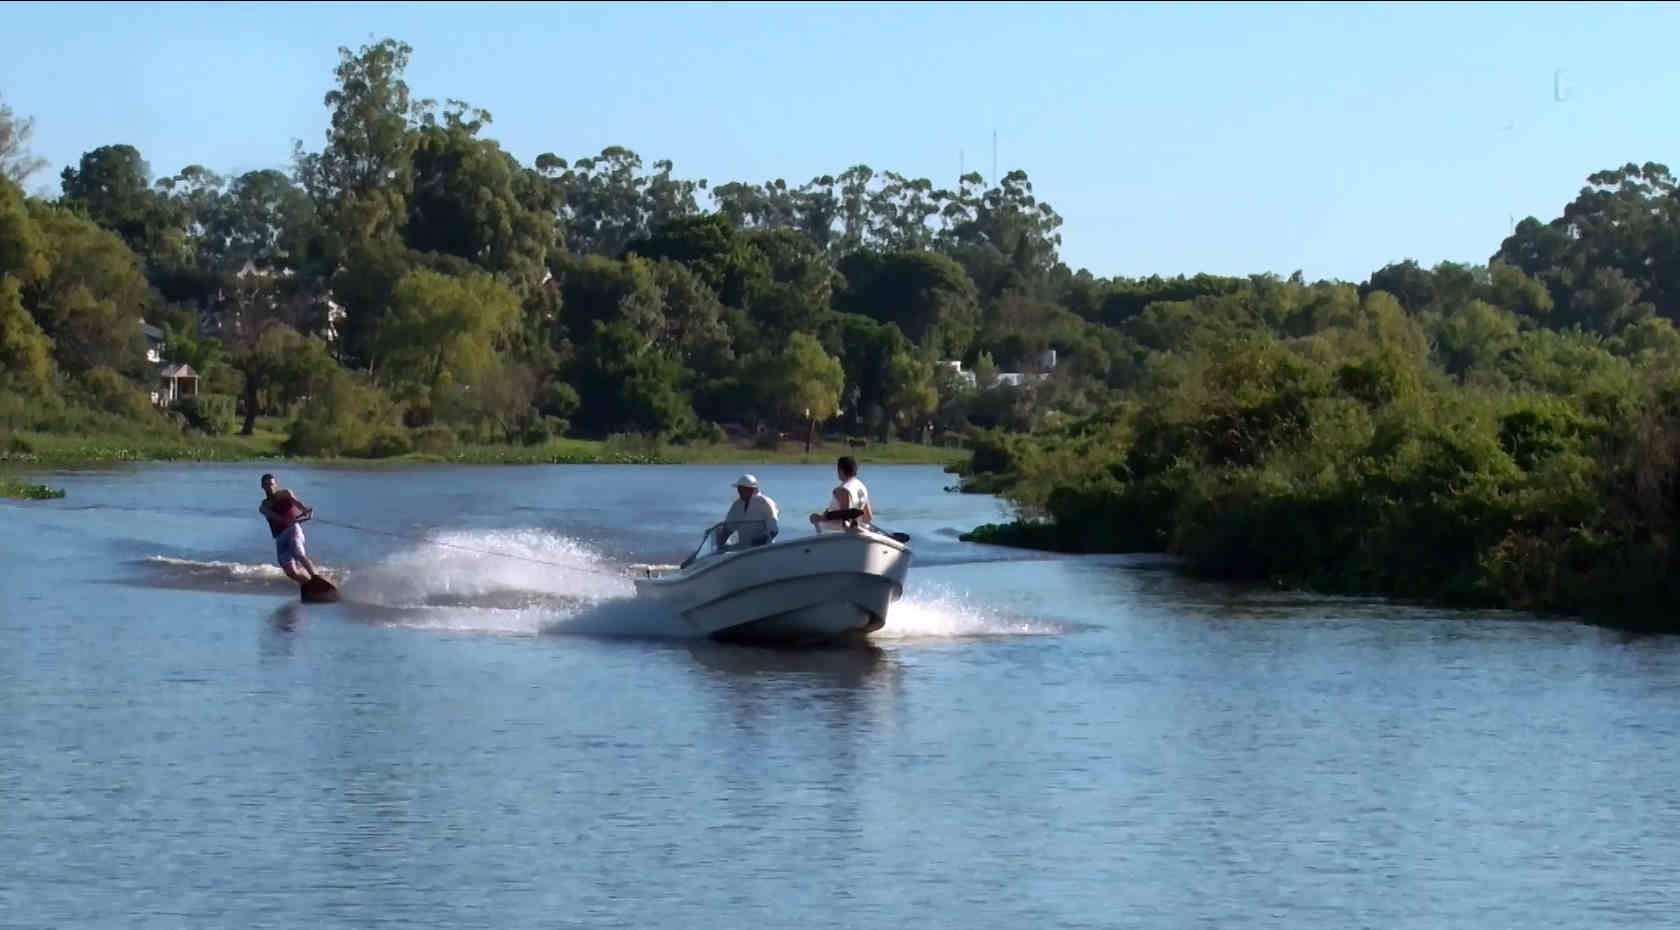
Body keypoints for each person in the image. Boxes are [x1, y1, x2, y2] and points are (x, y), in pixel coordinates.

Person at [259, 473, 321, 585]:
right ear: (262, 487)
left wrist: (305, 510)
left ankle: (315, 577)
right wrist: (283, 520)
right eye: (267, 485)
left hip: (293, 530)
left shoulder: (285, 493)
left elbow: (297, 503)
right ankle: (309, 585)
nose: (270, 487)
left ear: (276, 484)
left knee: (298, 552)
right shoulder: (264, 506)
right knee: (291, 572)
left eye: (272, 484)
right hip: (280, 537)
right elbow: (275, 517)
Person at [811, 455, 872, 532]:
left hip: (836, 533)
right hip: (860, 530)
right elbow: (868, 517)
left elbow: (845, 519)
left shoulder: (842, 490)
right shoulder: (862, 487)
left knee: (813, 517)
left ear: (841, 471)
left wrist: (820, 518)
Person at [717, 474, 779, 549]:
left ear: (752, 489)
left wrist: (760, 541)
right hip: (740, 550)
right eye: (739, 489)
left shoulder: (766, 503)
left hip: (762, 550)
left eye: (743, 489)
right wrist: (721, 543)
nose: (739, 491)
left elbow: (773, 530)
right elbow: (728, 528)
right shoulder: (736, 504)